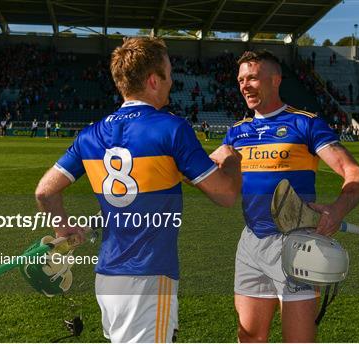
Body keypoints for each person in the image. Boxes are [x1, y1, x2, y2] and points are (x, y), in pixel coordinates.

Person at [34, 37, 242, 343]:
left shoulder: (90, 134)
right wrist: (232, 162)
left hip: (108, 278)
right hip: (148, 278)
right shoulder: (172, 128)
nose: (173, 81)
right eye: (169, 73)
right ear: (154, 80)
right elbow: (225, 195)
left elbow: (45, 192)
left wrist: (63, 228)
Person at [219, 50, 359, 342]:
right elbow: (224, 187)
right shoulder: (236, 132)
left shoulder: (305, 124)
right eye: (240, 80)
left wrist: (337, 210)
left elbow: (356, 174)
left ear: (275, 80)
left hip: (296, 244)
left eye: (252, 77)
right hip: (250, 242)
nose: (244, 85)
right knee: (249, 338)